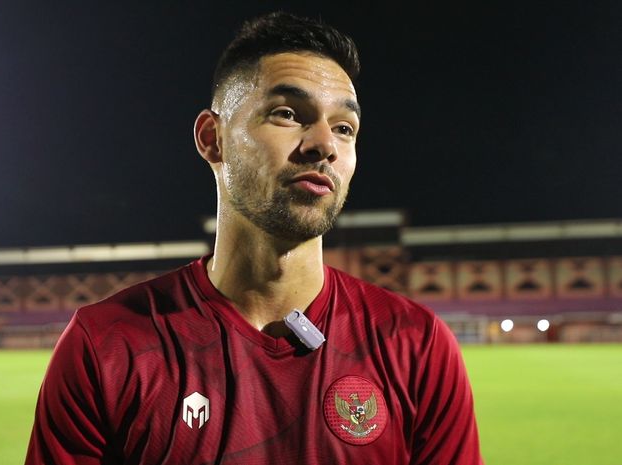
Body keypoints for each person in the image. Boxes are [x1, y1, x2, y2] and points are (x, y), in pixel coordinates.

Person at [25, 11, 483, 465]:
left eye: (345, 128)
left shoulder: (416, 345)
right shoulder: (107, 345)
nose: (325, 143)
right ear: (213, 138)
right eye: (288, 113)